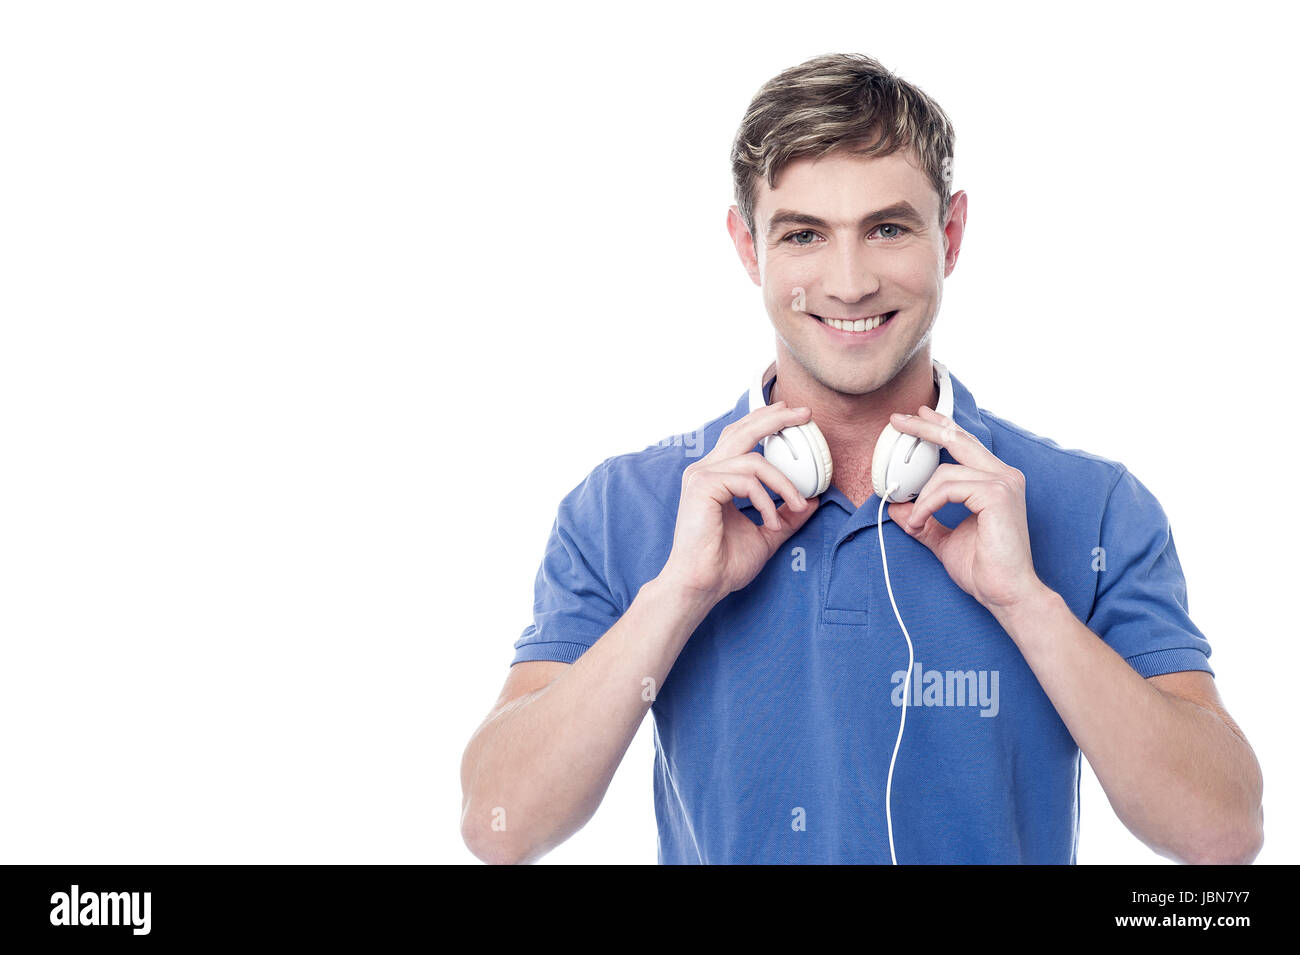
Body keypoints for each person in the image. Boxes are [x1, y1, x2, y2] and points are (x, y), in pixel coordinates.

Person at [458, 52, 1264, 865]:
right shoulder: (620, 506)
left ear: (949, 235)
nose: (848, 283)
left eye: (887, 228)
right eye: (804, 234)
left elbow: (1223, 835)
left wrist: (1027, 603)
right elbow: (501, 824)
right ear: (748, 248)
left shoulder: (1093, 505)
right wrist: (677, 593)